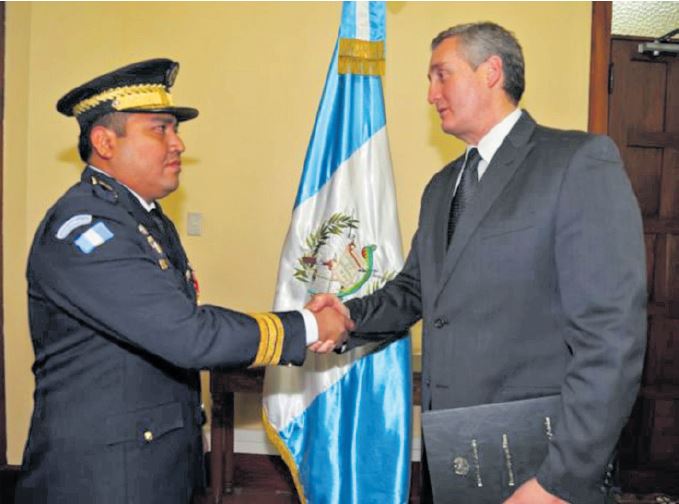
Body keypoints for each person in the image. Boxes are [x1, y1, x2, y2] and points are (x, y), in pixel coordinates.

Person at [308, 22, 647, 504]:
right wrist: (348, 318)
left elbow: (611, 337)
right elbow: (414, 291)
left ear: (491, 71)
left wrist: (562, 479)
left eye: (441, 75)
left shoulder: (576, 162)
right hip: (455, 454)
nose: (430, 94)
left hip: (543, 460)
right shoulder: (442, 186)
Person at [14, 58, 351, 503]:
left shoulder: (141, 219)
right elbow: (188, 335)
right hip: (103, 477)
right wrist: (306, 326)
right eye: (159, 129)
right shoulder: (87, 230)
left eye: (175, 129)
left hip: (151, 461)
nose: (178, 144)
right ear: (104, 142)